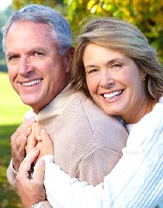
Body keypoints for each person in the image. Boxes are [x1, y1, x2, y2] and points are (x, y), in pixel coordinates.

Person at [16, 17, 163, 208]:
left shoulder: (157, 127)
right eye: (93, 70)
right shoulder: (122, 119)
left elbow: (109, 205)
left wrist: (46, 168)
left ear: (143, 68)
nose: (105, 81)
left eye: (116, 65)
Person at [2, 5, 128, 207]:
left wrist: (35, 204)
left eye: (37, 54)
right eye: (14, 57)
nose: (23, 69)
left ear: (69, 59)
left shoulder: (94, 142)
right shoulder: (47, 115)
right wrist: (18, 166)